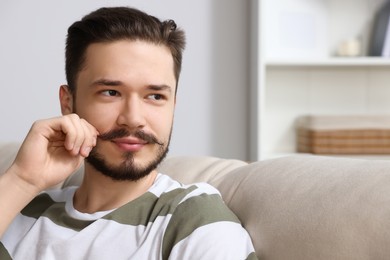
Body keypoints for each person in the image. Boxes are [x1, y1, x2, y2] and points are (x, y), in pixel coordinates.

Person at [0, 6, 257, 259]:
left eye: (155, 96)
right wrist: (22, 180)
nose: (133, 119)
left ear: (173, 105)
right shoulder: (22, 212)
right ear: (68, 103)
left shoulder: (196, 222)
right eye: (111, 92)